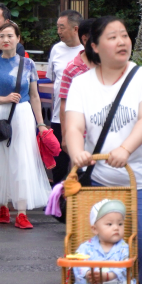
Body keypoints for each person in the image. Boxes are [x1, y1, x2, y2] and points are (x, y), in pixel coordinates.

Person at [64, 16, 142, 284]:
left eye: (124, 35)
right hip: (101, 186)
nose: (122, 41)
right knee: (101, 257)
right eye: (112, 37)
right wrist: (76, 152)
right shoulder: (82, 83)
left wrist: (125, 149)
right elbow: (73, 126)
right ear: (94, 46)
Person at [0, 21, 51, 230]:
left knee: (22, 160)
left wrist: (41, 123)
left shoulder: (29, 64)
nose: (5, 40)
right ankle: (3, 205)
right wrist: (4, 99)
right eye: (1, 36)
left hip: (23, 115)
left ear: (18, 39)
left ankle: (22, 212)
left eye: (10, 36)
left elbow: (34, 96)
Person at [67, 200, 131, 284]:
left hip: (114, 283)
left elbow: (125, 267)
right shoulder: (86, 247)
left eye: (120, 224)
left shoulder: (124, 248)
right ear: (95, 229)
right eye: (109, 224)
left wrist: (110, 275)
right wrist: (87, 273)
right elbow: (78, 262)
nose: (116, 227)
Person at [49, 11, 84, 178]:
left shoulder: (88, 51)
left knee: (82, 164)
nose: (58, 31)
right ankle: (58, 202)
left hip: (83, 118)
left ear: (75, 29)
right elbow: (53, 81)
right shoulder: (56, 49)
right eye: (57, 27)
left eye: (62, 28)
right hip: (58, 117)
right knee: (59, 166)